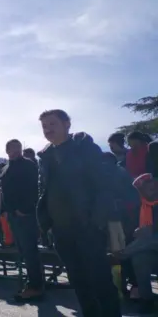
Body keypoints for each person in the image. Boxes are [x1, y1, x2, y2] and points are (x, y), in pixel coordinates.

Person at [37, 109, 121, 317]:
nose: (48, 130)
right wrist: (46, 223)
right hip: (61, 229)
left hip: (87, 225)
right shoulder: (46, 155)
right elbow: (44, 190)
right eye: (44, 126)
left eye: (52, 124)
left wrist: (98, 219)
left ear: (67, 124)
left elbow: (102, 183)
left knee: (100, 279)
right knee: (78, 280)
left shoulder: (82, 146)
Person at [0, 139, 45, 302]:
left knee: (30, 250)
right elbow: (5, 192)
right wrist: (4, 210)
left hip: (25, 214)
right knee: (22, 250)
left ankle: (36, 286)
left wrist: (24, 209)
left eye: (18, 148)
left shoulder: (28, 165)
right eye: (12, 148)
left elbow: (33, 188)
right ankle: (32, 282)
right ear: (7, 150)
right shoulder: (5, 168)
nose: (16, 151)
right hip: (12, 214)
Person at [109, 173, 158, 315]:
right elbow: (131, 232)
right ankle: (147, 299)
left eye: (154, 186)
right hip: (149, 250)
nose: (153, 189)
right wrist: (136, 231)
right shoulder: (138, 208)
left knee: (149, 237)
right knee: (140, 259)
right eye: (148, 188)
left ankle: (120, 255)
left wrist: (151, 229)